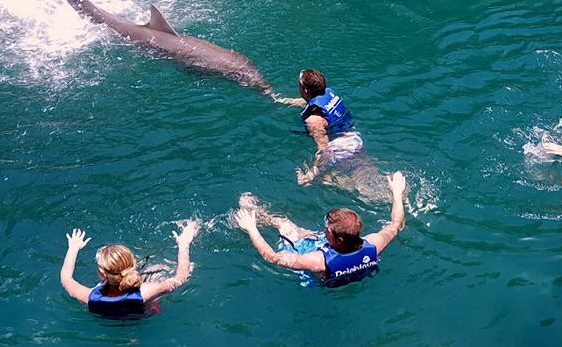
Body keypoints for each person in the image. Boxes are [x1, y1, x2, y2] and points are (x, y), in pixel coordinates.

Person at [234, 171, 407, 288]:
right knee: (304, 233)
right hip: (351, 269)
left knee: (284, 224)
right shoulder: (375, 244)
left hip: (318, 277)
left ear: (337, 239)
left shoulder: (316, 261)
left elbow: (272, 257)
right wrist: (397, 193)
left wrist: (251, 229)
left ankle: (254, 214)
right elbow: (396, 224)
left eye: (327, 229)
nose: (325, 229)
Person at [59, 221, 199, 318]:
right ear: (132, 264)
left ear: (102, 274)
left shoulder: (89, 296)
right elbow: (181, 277)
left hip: (109, 321)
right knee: (161, 267)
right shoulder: (146, 291)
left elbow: (66, 279)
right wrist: (184, 244)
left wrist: (73, 248)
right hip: (145, 315)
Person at [276, 69, 363, 185]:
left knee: (335, 182)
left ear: (305, 90)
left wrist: (311, 174)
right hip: (354, 139)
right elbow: (311, 103)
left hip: (340, 150)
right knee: (362, 177)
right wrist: (283, 100)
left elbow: (324, 148)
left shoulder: (313, 121)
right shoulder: (327, 93)